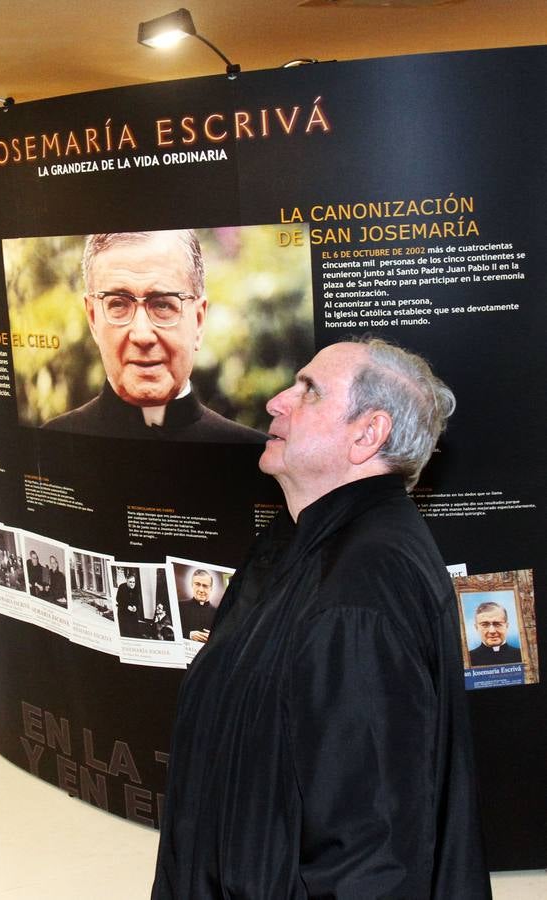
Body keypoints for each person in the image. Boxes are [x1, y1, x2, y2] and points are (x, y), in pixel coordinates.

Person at [153, 337, 491, 899]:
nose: (276, 402)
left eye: (308, 392)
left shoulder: (362, 590)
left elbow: (370, 852)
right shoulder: (306, 542)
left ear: (368, 434)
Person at [45, 230, 265, 443]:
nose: (142, 335)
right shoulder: (52, 444)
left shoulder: (256, 459)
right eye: (118, 304)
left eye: (162, 304)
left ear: (198, 320)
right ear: (93, 319)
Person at [469, 601, 522, 665]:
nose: (492, 631)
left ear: (507, 626)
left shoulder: (523, 655)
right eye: (485, 625)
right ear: (476, 628)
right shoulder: (468, 659)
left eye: (497, 624)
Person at [178, 569, 216, 642]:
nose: (201, 590)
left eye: (205, 586)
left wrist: (214, 637)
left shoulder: (218, 613)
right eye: (197, 584)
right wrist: (188, 634)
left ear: (211, 588)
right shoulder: (179, 606)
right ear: (192, 585)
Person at [116, 573, 143, 638]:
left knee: (135, 630)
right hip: (123, 612)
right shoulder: (122, 587)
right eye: (130, 582)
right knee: (126, 631)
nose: (132, 584)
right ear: (126, 581)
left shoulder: (136, 588)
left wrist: (135, 606)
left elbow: (137, 600)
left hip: (132, 612)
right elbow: (118, 599)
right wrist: (127, 607)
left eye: (133, 582)